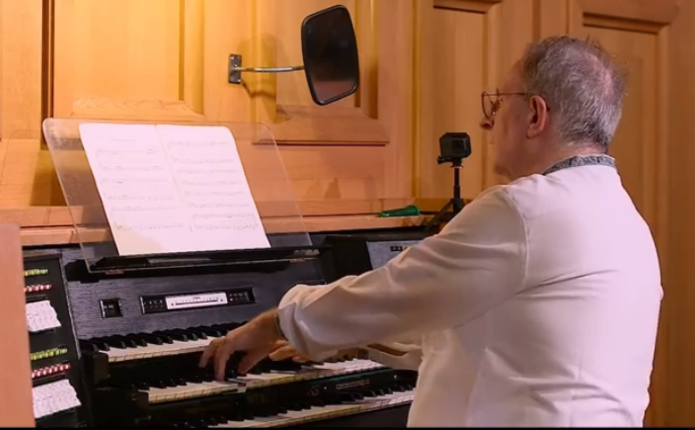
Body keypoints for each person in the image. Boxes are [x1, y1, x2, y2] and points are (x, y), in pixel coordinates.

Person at [199, 35, 663, 427]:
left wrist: (278, 320)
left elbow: (394, 292)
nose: (487, 121)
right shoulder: (626, 220)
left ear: (536, 116)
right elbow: (498, 341)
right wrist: (349, 340)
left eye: (499, 103)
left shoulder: (526, 209)